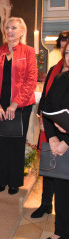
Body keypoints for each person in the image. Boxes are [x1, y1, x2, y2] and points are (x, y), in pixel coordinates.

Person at [0, 17, 37, 195]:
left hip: (21, 105)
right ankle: (2, 178)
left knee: (16, 142)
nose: (9, 30)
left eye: (14, 28)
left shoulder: (28, 51)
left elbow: (31, 80)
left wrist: (15, 104)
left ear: (22, 31)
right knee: (1, 141)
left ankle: (14, 181)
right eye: (7, 27)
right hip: (0, 104)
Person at [31, 37, 69, 218]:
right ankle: (46, 203)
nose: (64, 52)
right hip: (50, 125)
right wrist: (41, 116)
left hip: (65, 130)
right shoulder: (55, 70)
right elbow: (46, 97)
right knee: (49, 165)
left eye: (66, 48)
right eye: (63, 49)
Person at [42, 40, 69, 239]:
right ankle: (61, 230)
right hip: (58, 142)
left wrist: (66, 142)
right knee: (60, 191)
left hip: (67, 142)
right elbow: (47, 108)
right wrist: (52, 138)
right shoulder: (60, 78)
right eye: (67, 52)